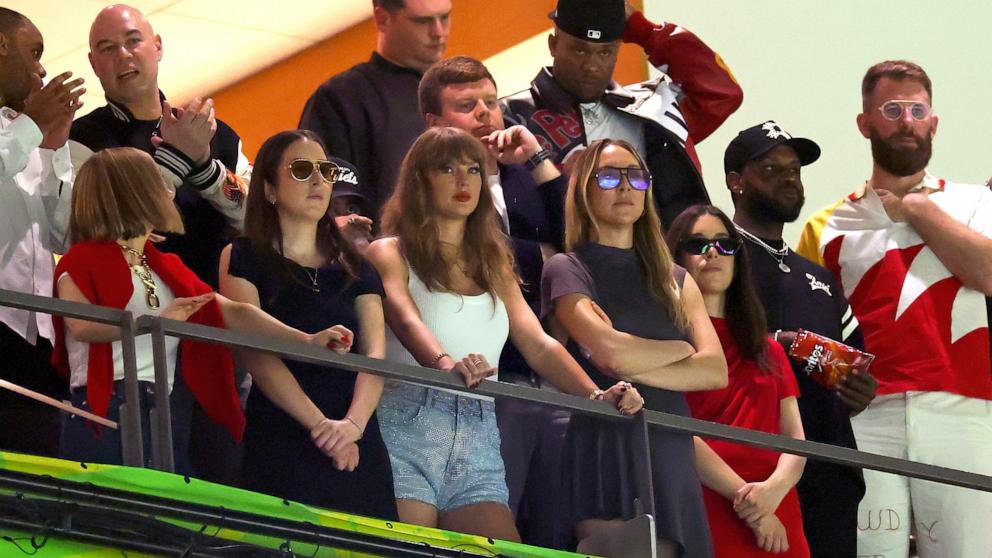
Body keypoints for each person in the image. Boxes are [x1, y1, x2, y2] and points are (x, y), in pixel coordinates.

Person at [365, 127, 642, 542]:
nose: (464, 180)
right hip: (406, 421)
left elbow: (540, 344)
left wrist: (595, 396)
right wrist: (444, 364)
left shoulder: (495, 263)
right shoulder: (389, 250)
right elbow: (403, 318)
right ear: (420, 180)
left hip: (478, 429)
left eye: (474, 169)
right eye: (447, 168)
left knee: (501, 548)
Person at [796, 60, 992, 558]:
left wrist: (919, 208)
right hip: (867, 416)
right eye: (892, 109)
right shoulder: (826, 224)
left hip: (963, 408)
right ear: (865, 124)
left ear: (933, 122)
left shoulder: (975, 203)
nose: (906, 121)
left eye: (917, 110)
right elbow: (811, 333)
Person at [52, 147, 351, 471]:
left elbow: (234, 312)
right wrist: (154, 322)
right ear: (131, 192)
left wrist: (305, 340)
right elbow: (81, 326)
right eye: (155, 181)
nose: (168, 190)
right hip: (104, 406)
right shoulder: (79, 259)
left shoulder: (165, 265)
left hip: (162, 410)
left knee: (161, 515)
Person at [541, 139, 727, 557]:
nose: (625, 186)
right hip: (606, 435)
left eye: (635, 176)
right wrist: (680, 348)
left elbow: (715, 370)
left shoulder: (675, 278)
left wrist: (631, 361)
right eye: (609, 176)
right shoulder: (567, 268)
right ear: (584, 190)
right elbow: (610, 354)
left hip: (670, 441)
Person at [417, 54, 568, 546]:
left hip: (547, 375)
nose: (486, 114)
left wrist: (539, 159)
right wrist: (540, 254)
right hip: (477, 384)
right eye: (467, 106)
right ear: (433, 124)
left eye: (490, 102)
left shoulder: (523, 174)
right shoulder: (423, 196)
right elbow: (477, 260)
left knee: (552, 529)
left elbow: (581, 253)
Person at [218, 130, 397, 520]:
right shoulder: (243, 255)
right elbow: (255, 351)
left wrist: (352, 425)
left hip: (358, 431)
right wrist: (323, 429)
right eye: (301, 170)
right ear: (268, 189)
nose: (318, 180)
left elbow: (376, 354)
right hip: (284, 429)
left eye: (325, 170)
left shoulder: (359, 265)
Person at [724, 121, 875, 558]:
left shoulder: (819, 278)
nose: (789, 178)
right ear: (736, 182)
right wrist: (778, 342)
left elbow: (856, 362)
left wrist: (860, 389)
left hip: (829, 473)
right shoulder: (714, 254)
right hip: (750, 476)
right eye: (770, 169)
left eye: (795, 169)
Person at [500, 0, 742, 226]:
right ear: (554, 45)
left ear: (617, 52)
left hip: (654, 263)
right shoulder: (510, 114)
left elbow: (722, 93)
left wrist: (645, 32)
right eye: (579, 50)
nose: (591, 66)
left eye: (604, 52)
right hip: (552, 264)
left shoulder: (652, 109)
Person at [70, 3, 250, 288]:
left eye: (133, 41)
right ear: (93, 64)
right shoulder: (80, 140)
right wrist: (176, 158)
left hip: (230, 310)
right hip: (145, 312)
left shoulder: (215, 133)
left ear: (157, 47)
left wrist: (205, 168)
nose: (123, 55)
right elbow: (103, 233)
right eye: (108, 48)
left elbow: (259, 220)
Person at [666, 205, 809, 557]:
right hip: (710, 502)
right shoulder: (665, 344)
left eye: (724, 244)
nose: (712, 252)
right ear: (675, 259)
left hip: (779, 507)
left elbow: (796, 438)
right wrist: (753, 506)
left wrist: (773, 491)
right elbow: (677, 431)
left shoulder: (769, 349)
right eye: (697, 244)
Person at [0, 7, 85, 457]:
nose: (41, 68)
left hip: (39, 340)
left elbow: (66, 237)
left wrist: (54, 151)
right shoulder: (20, 133)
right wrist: (31, 125)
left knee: (41, 485)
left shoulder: (27, 139)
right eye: (34, 53)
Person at [299, 0, 452, 241]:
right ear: (382, 18)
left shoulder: (456, 93)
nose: (438, 32)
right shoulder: (341, 97)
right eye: (422, 21)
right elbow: (332, 203)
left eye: (445, 17)